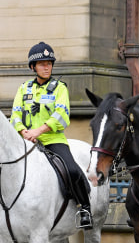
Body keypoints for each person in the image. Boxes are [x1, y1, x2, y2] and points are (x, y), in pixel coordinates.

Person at [10, 41, 92, 229]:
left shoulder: (59, 88)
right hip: (26, 141)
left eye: (49, 63)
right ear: (33, 67)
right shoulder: (23, 89)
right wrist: (24, 132)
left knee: (72, 170)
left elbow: (61, 115)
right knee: (0, 165)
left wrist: (38, 132)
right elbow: (15, 115)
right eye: (42, 64)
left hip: (52, 140)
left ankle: (84, 208)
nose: (46, 67)